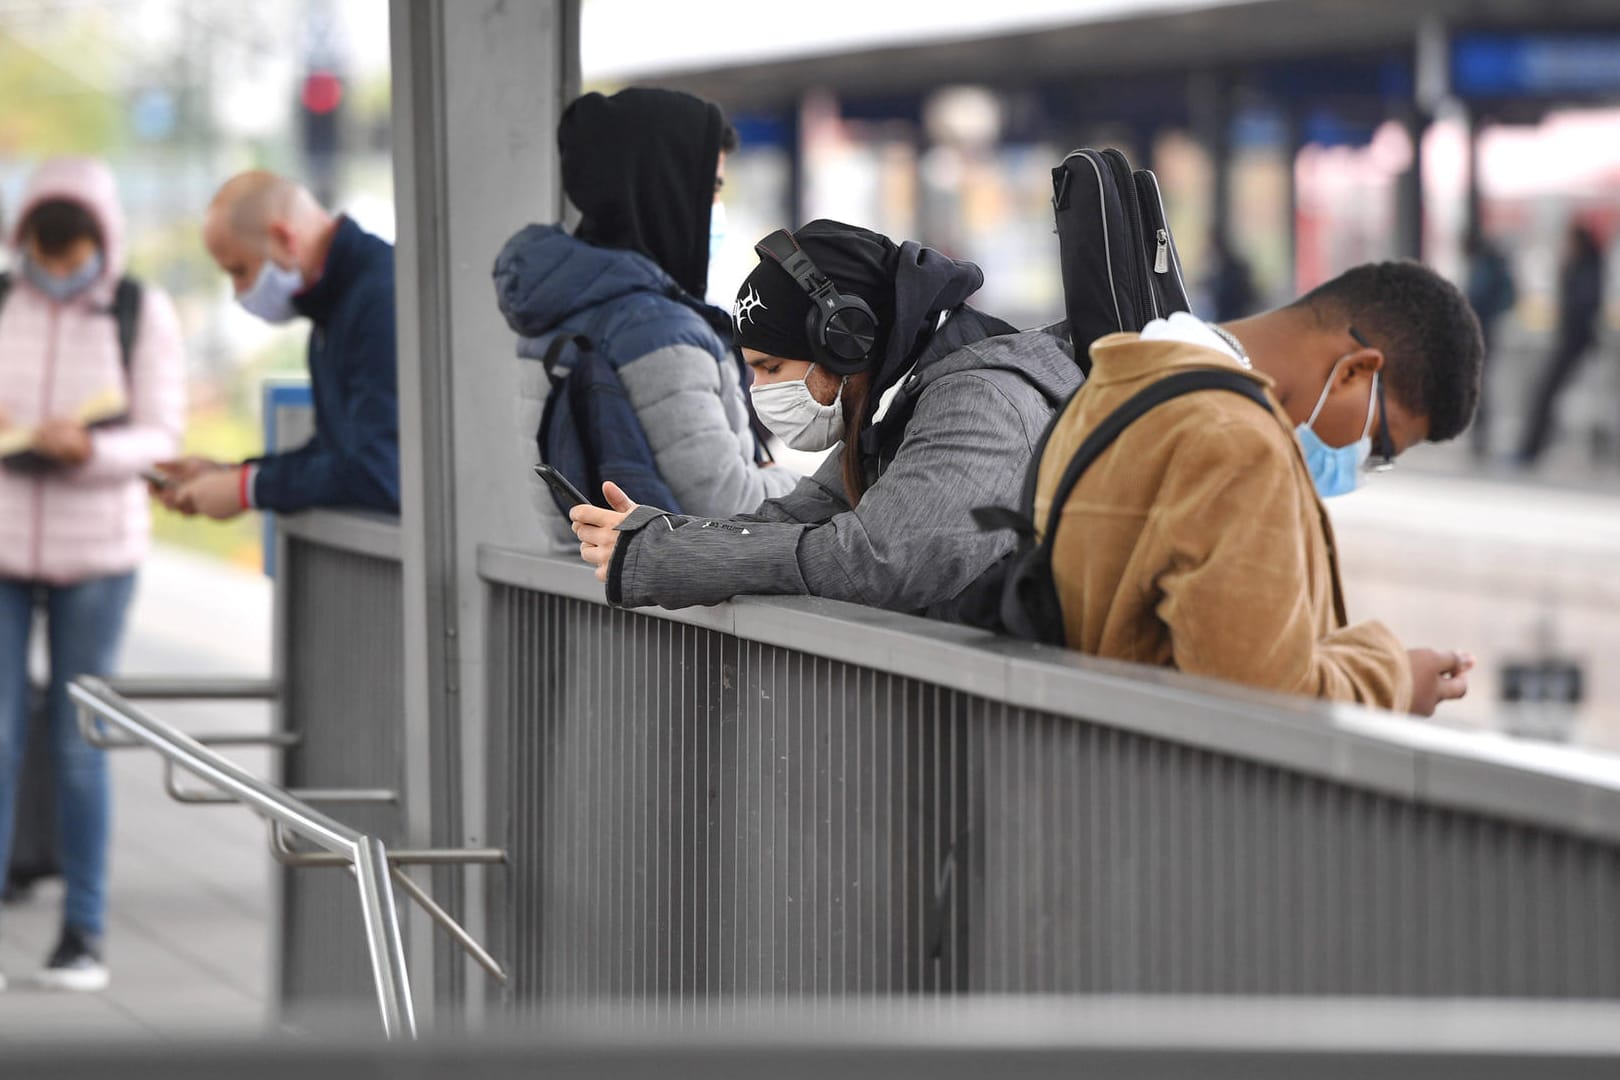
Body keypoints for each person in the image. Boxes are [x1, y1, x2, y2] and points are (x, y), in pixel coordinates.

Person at [1033, 260, 1482, 716]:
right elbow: (1264, 698)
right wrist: (1397, 680)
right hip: (1159, 774)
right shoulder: (1240, 444)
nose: (1362, 464)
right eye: (1379, 445)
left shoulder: (1121, 384)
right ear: (1355, 370)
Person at [568, 220, 1081, 618]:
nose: (761, 392)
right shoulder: (893, 403)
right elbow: (798, 514)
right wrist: (657, 534)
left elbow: (878, 563)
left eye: (772, 368)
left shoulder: (979, 400)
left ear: (847, 339)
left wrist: (666, 557)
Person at [0, 157, 187, 989]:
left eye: (73, 251)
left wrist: (92, 448)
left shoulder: (140, 312)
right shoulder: (4, 301)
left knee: (80, 744)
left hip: (98, 554)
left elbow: (162, 436)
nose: (59, 264)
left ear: (100, 243)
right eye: (46, 247)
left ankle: (83, 936)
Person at [493, 87, 795, 543]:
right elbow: (732, 510)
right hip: (668, 606)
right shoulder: (660, 331)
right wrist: (797, 483)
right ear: (666, 188)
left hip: (586, 595)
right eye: (711, 188)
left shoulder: (550, 313)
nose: (717, 208)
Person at [158, 171, 398, 518]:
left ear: (284, 239)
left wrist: (249, 488)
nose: (239, 292)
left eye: (239, 271)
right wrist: (228, 475)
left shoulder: (378, 300)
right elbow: (334, 455)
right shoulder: (332, 313)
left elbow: (380, 471)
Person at [1517, 222, 1606, 465]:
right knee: (1547, 393)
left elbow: (1581, 305)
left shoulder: (1587, 267)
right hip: (1572, 340)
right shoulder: (1584, 266)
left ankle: (1531, 449)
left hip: (1575, 341)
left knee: (1547, 393)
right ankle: (1531, 448)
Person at [1463, 228, 1517, 461]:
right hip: (1487, 330)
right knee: (1481, 384)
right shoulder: (1493, 264)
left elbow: (1478, 298)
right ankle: (1480, 435)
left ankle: (1480, 436)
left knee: (1479, 385)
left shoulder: (1484, 267)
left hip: (1481, 331)